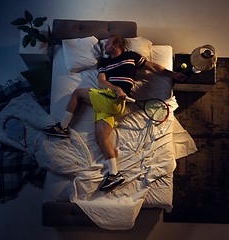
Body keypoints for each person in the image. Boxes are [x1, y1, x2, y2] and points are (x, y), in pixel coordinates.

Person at [43, 35, 187, 191]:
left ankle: (62, 128)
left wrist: (173, 74)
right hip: (108, 100)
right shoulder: (105, 62)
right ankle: (114, 174)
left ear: (116, 45)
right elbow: (101, 82)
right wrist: (116, 88)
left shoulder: (131, 56)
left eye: (107, 44)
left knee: (78, 93)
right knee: (101, 139)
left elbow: (153, 67)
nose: (104, 46)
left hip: (113, 101)